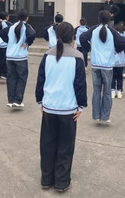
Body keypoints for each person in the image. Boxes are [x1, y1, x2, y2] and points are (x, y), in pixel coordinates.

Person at [35, 22, 87, 192]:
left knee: (47, 144)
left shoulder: (47, 55)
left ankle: (46, 179)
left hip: (49, 107)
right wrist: (81, 106)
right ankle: (62, 182)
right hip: (68, 110)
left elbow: (41, 80)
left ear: (57, 36)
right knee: (65, 146)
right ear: (73, 37)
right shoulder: (77, 57)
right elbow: (80, 85)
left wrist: (40, 101)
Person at [79, 10, 125, 124]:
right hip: (108, 66)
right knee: (107, 92)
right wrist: (117, 50)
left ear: (98, 19)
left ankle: (96, 115)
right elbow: (122, 41)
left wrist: (89, 48)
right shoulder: (112, 31)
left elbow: (82, 38)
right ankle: (105, 117)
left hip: (95, 64)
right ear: (109, 20)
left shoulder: (93, 30)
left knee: (96, 91)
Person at [0, 9, 36, 108]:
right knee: (21, 78)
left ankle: (10, 100)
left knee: (11, 78)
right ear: (27, 18)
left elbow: (1, 33)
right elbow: (32, 34)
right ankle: (18, 100)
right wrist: (27, 43)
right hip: (20, 57)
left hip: (10, 56)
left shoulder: (12, 26)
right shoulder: (26, 27)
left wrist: (10, 42)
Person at [111, 22, 125, 98]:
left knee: (112, 77)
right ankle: (119, 91)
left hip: (112, 61)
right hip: (121, 61)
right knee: (120, 77)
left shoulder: (111, 39)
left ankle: (112, 90)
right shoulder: (123, 39)